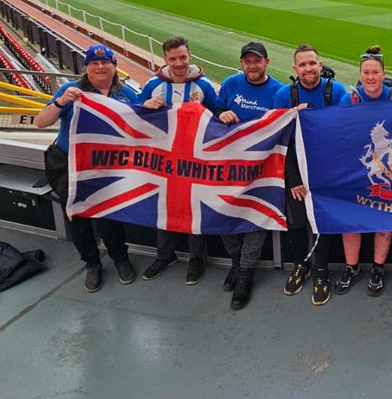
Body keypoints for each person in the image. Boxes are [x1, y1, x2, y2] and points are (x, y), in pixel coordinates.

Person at [37, 44, 140, 293]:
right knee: (78, 217)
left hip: (107, 166)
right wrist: (60, 102)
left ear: (115, 67)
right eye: (94, 63)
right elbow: (41, 122)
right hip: (69, 163)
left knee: (109, 214)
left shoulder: (126, 94)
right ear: (87, 67)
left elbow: (141, 126)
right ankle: (92, 264)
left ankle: (120, 257)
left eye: (106, 63)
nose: (100, 67)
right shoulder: (71, 91)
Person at [272, 44, 353, 306]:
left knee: (321, 221)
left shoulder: (335, 91)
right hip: (296, 168)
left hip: (326, 170)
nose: (308, 68)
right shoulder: (285, 95)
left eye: (312, 63)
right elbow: (280, 139)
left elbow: (344, 132)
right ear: (295, 69)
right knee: (295, 222)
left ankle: (321, 270)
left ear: (320, 65)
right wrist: (294, 178)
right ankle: (300, 265)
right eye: (303, 64)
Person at [138, 36, 219, 286]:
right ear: (165, 60)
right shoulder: (153, 85)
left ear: (190, 56)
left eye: (182, 57)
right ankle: (165, 255)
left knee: (193, 206)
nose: (179, 63)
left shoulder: (203, 86)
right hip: (162, 161)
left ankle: (197, 257)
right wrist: (144, 105)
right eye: (173, 59)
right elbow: (135, 116)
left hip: (195, 160)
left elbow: (215, 119)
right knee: (164, 205)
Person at [215, 41, 286, 310]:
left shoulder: (278, 91)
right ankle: (235, 261)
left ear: (267, 62)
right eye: (247, 61)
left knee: (255, 216)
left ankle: (245, 273)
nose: (252, 65)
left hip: (262, 169)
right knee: (222, 210)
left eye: (257, 60)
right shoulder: (231, 84)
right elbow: (213, 112)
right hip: (229, 165)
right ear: (241, 63)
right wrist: (222, 113)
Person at [337, 45, 392, 297]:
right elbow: (338, 129)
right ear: (360, 75)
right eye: (366, 73)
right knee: (351, 222)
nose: (370, 77)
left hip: (387, 169)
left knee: (383, 222)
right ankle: (352, 268)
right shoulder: (349, 98)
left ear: (383, 74)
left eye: (375, 72)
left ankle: (377, 269)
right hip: (355, 169)